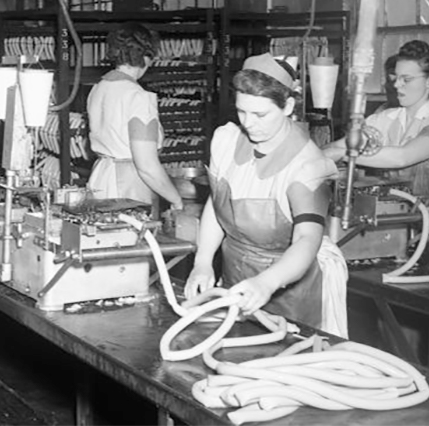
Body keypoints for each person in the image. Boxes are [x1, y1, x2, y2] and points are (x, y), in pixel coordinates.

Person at [184, 53, 348, 337]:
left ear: (288, 106)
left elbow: (306, 240)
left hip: (293, 283)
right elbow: (218, 201)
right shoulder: (227, 140)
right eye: (242, 111)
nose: (249, 123)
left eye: (260, 114)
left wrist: (267, 283)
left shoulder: (307, 165)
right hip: (239, 269)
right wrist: (202, 261)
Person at [86, 23, 183, 213]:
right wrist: (176, 200)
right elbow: (146, 166)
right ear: (146, 56)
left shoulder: (98, 88)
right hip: (128, 188)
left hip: (100, 178)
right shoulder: (137, 97)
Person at [323, 40, 429, 196]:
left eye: (406, 79)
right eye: (396, 78)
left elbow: (402, 157)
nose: (397, 85)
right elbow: (345, 143)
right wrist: (323, 152)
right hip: (397, 214)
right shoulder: (386, 119)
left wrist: (344, 154)